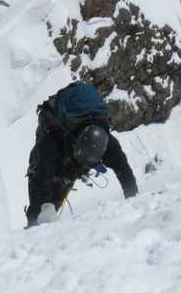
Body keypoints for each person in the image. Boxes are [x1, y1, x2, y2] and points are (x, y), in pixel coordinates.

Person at [24, 80, 137, 227]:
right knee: (48, 180)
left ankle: (44, 221)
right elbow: (41, 174)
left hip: (77, 125)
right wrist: (45, 207)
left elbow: (123, 169)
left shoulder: (108, 143)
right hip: (55, 127)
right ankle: (34, 224)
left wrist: (133, 199)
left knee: (65, 177)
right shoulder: (52, 142)